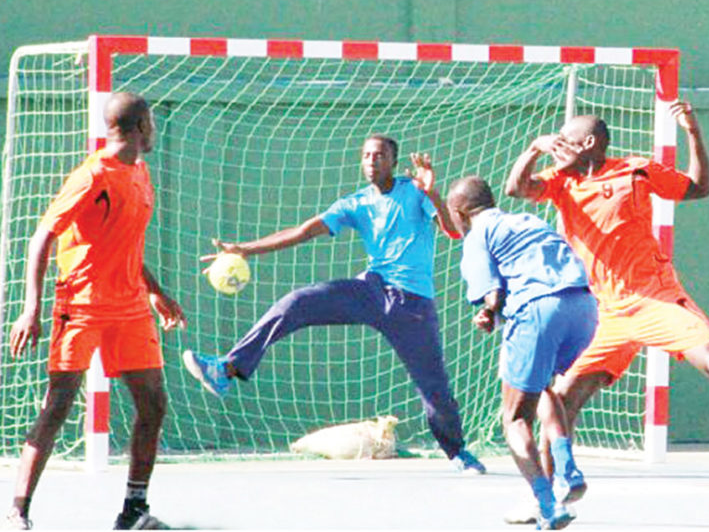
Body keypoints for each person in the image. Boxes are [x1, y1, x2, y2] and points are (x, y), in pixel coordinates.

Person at [505, 101, 709, 481]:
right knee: (561, 400)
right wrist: (534, 148)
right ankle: (552, 494)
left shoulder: (635, 170)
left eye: (564, 141)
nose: (557, 146)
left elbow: (699, 187)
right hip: (604, 312)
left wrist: (693, 132)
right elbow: (516, 188)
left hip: (653, 297)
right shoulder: (561, 180)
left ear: (589, 143)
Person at [181, 136, 486, 474]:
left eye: (380, 155)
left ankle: (458, 452)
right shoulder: (355, 203)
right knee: (296, 302)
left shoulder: (415, 191)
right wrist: (244, 249)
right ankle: (227, 369)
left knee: (434, 388)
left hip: (412, 304)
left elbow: (454, 232)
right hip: (371, 290)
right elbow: (304, 231)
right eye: (366, 155)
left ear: (393, 161)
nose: (372, 160)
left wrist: (432, 193)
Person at [5, 92, 187, 530]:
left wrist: (156, 292)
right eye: (152, 123)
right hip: (82, 305)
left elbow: (124, 244)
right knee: (58, 405)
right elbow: (42, 238)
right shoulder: (91, 177)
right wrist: (31, 308)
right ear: (141, 126)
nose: (154, 131)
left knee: (154, 403)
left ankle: (133, 511)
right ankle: (17, 511)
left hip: (130, 307)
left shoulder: (140, 173)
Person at [447, 176, 596, 529]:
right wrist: (494, 312)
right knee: (542, 387)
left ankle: (547, 504)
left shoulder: (477, 235)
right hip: (583, 308)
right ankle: (567, 471)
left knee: (514, 419)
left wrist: (489, 311)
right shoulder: (529, 220)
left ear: (461, 212)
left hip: (537, 312)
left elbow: (493, 295)